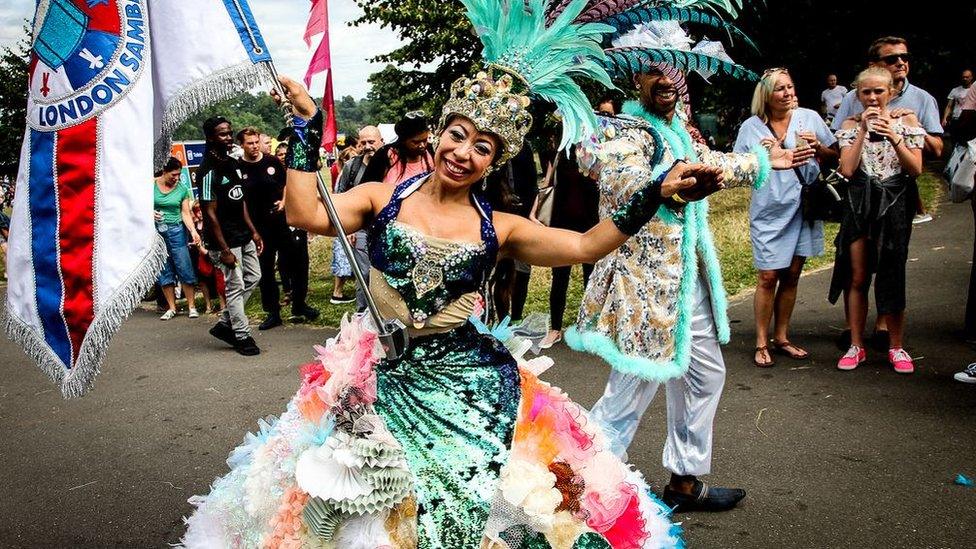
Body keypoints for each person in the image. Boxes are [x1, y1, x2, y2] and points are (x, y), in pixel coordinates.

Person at [179, 26, 734, 542]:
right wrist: (302, 125)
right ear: (440, 134)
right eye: (458, 135)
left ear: (495, 162)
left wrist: (653, 196)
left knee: (470, 503)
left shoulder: (502, 226)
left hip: (470, 383)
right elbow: (304, 213)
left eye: (483, 148)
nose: (463, 153)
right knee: (358, 498)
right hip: (377, 371)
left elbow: (585, 245)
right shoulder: (381, 197)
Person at [569, 64, 807, 513]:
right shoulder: (626, 130)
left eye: (673, 73)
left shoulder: (679, 129)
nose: (665, 82)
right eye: (653, 73)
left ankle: (683, 480)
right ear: (634, 81)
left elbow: (710, 162)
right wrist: (666, 187)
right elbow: (622, 182)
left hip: (686, 284)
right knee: (629, 392)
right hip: (645, 290)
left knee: (704, 375)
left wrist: (760, 161)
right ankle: (583, 491)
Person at [734, 69, 839, 367]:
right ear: (766, 95)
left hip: (803, 206)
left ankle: (782, 338)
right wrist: (764, 157)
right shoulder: (751, 129)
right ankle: (760, 341)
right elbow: (738, 170)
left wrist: (818, 147)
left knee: (792, 274)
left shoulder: (809, 118)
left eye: (790, 87)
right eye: (780, 89)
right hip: (769, 209)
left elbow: (835, 155)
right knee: (768, 276)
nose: (788, 93)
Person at [829, 67, 925, 374]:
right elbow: (846, 169)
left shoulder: (906, 120)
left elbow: (915, 169)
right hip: (859, 202)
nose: (872, 98)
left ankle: (896, 346)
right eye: (866, 92)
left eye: (878, 91)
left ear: (891, 92)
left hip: (894, 202)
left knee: (892, 273)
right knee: (857, 276)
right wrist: (860, 131)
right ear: (857, 95)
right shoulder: (848, 124)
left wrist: (894, 134)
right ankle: (857, 345)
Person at [831, 36, 941, 228]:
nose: (900, 63)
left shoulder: (922, 99)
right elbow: (837, 145)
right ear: (873, 65)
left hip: (900, 190)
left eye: (904, 57)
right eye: (892, 59)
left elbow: (938, 150)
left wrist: (912, 127)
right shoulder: (852, 98)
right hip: (862, 191)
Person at [237, 127, 319, 330]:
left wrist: (283, 202)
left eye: (257, 142)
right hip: (259, 227)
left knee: (297, 264)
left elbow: (286, 184)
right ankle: (273, 312)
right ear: (242, 145)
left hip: (282, 222)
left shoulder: (271, 161)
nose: (255, 146)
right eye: (250, 143)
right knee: (265, 270)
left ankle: (299, 305)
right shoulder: (238, 168)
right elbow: (241, 201)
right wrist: (252, 230)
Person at [196, 116, 263, 356]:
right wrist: (223, 250)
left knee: (254, 277)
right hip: (223, 240)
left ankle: (226, 323)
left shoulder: (232, 163)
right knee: (235, 286)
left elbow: (240, 199)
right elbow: (209, 213)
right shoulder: (206, 171)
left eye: (229, 133)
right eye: (223, 134)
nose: (228, 137)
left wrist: (253, 231)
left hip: (243, 234)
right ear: (211, 137)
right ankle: (242, 335)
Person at [335, 125, 385, 311]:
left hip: (388, 230)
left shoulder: (393, 163)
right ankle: (362, 317)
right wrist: (350, 229)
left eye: (371, 142)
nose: (367, 146)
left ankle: (385, 317)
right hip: (361, 230)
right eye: (363, 142)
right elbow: (341, 198)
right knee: (364, 274)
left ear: (381, 142)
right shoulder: (352, 167)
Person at [486, 139, 537, 323]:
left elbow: (533, 184)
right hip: (493, 218)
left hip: (520, 218)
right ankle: (495, 318)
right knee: (494, 273)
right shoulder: (491, 145)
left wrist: (529, 213)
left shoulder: (524, 146)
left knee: (520, 271)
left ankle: (515, 319)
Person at [153, 157, 201, 320]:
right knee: (164, 269)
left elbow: (185, 213)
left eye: (179, 174)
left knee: (184, 267)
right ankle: (171, 307)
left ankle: (191, 306)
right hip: (157, 233)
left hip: (177, 230)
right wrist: (149, 213)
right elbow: (139, 207)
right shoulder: (151, 185)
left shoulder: (182, 189)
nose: (176, 178)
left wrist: (193, 231)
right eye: (173, 174)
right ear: (164, 172)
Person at [361, 111, 435, 185]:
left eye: (424, 140)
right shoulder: (385, 156)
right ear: (403, 140)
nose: (422, 145)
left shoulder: (430, 151)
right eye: (416, 142)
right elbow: (367, 188)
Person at [943, 69, 974, 133]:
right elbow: (949, 106)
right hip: (956, 118)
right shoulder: (955, 90)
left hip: (970, 119)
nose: (965, 79)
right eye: (963, 77)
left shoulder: (974, 90)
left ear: (971, 77)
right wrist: (944, 118)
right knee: (954, 139)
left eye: (967, 77)